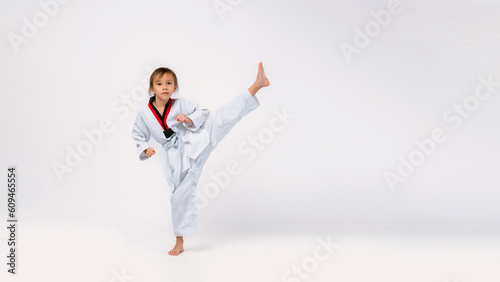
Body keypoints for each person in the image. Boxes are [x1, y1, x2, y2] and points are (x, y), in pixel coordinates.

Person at [131, 62, 270, 255]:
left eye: (169, 83)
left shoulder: (182, 103)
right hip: (177, 157)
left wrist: (189, 119)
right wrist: (144, 148)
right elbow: (138, 134)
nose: (165, 87)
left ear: (175, 87)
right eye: (160, 83)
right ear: (152, 88)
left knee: (221, 117)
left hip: (198, 138)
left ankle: (257, 85)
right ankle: (179, 241)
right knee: (179, 195)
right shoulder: (144, 113)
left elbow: (203, 112)